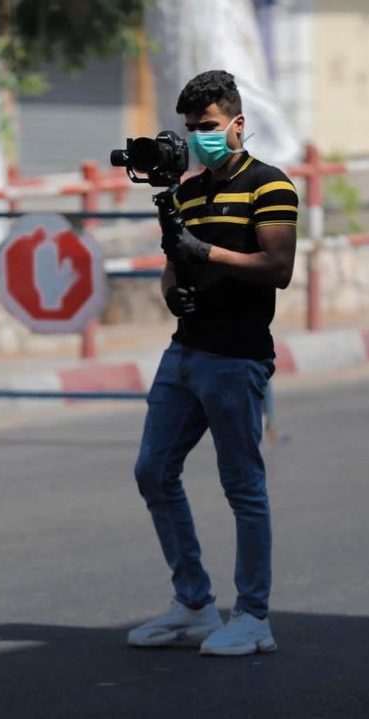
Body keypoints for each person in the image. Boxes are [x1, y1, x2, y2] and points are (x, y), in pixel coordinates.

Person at [126, 70, 298, 656]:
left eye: (207, 127)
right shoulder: (185, 193)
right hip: (185, 352)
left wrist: (211, 254)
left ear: (237, 125)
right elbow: (175, 264)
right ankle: (195, 603)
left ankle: (253, 617)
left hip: (236, 358)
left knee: (242, 487)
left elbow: (278, 268)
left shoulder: (270, 186)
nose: (198, 138)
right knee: (153, 471)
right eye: (190, 129)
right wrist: (174, 283)